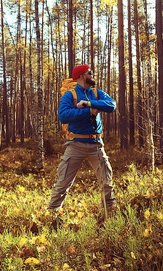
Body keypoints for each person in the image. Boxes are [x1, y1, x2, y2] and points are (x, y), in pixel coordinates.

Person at [47, 65, 116, 213]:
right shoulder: (69, 96)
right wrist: (87, 111)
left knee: (107, 182)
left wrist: (90, 103)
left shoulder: (97, 93)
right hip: (75, 144)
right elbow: (63, 116)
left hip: (96, 145)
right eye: (90, 73)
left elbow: (112, 105)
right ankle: (51, 215)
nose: (93, 75)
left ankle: (109, 214)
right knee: (63, 183)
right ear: (82, 76)